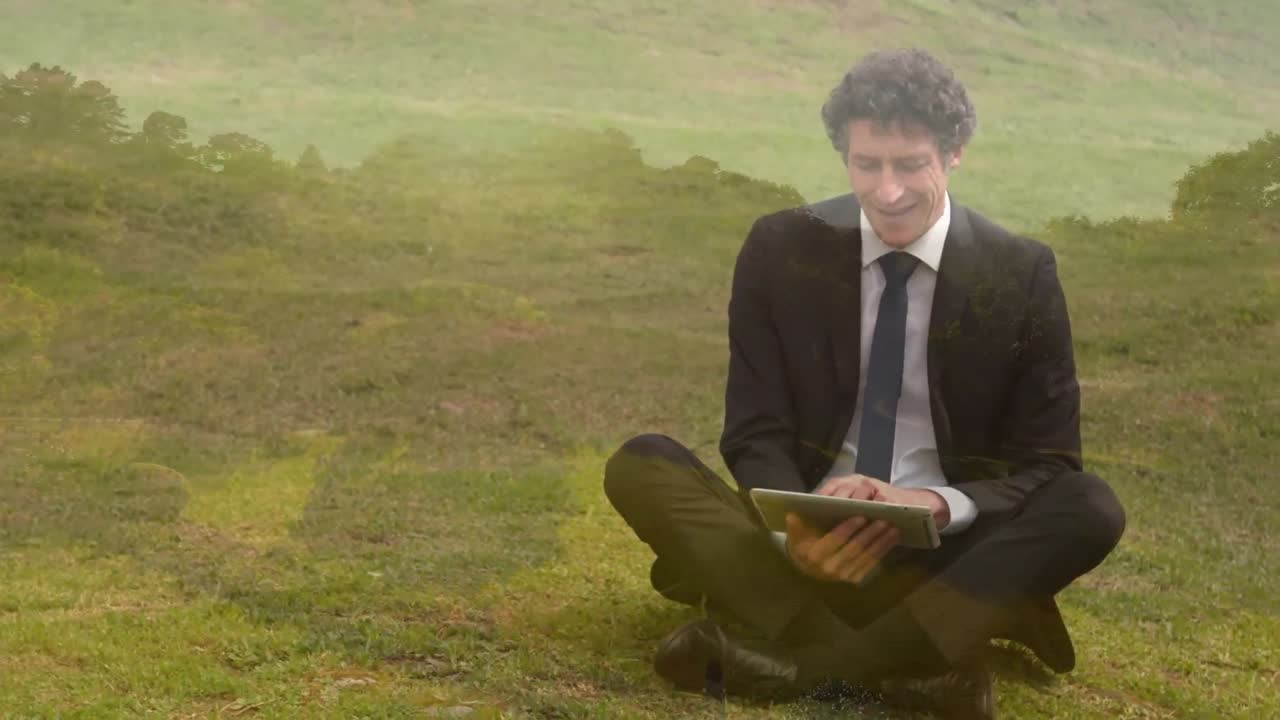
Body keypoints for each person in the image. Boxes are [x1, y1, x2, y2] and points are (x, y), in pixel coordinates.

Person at [601, 48, 1127, 719]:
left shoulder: (1019, 273)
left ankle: (803, 665)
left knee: (1091, 505)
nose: (887, 191)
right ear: (843, 155)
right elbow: (755, 429)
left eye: (910, 165)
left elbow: (1049, 465)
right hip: (803, 541)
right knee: (641, 463)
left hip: (945, 556)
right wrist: (797, 526)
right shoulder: (780, 247)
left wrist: (933, 504)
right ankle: (913, 667)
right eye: (866, 165)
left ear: (955, 151)